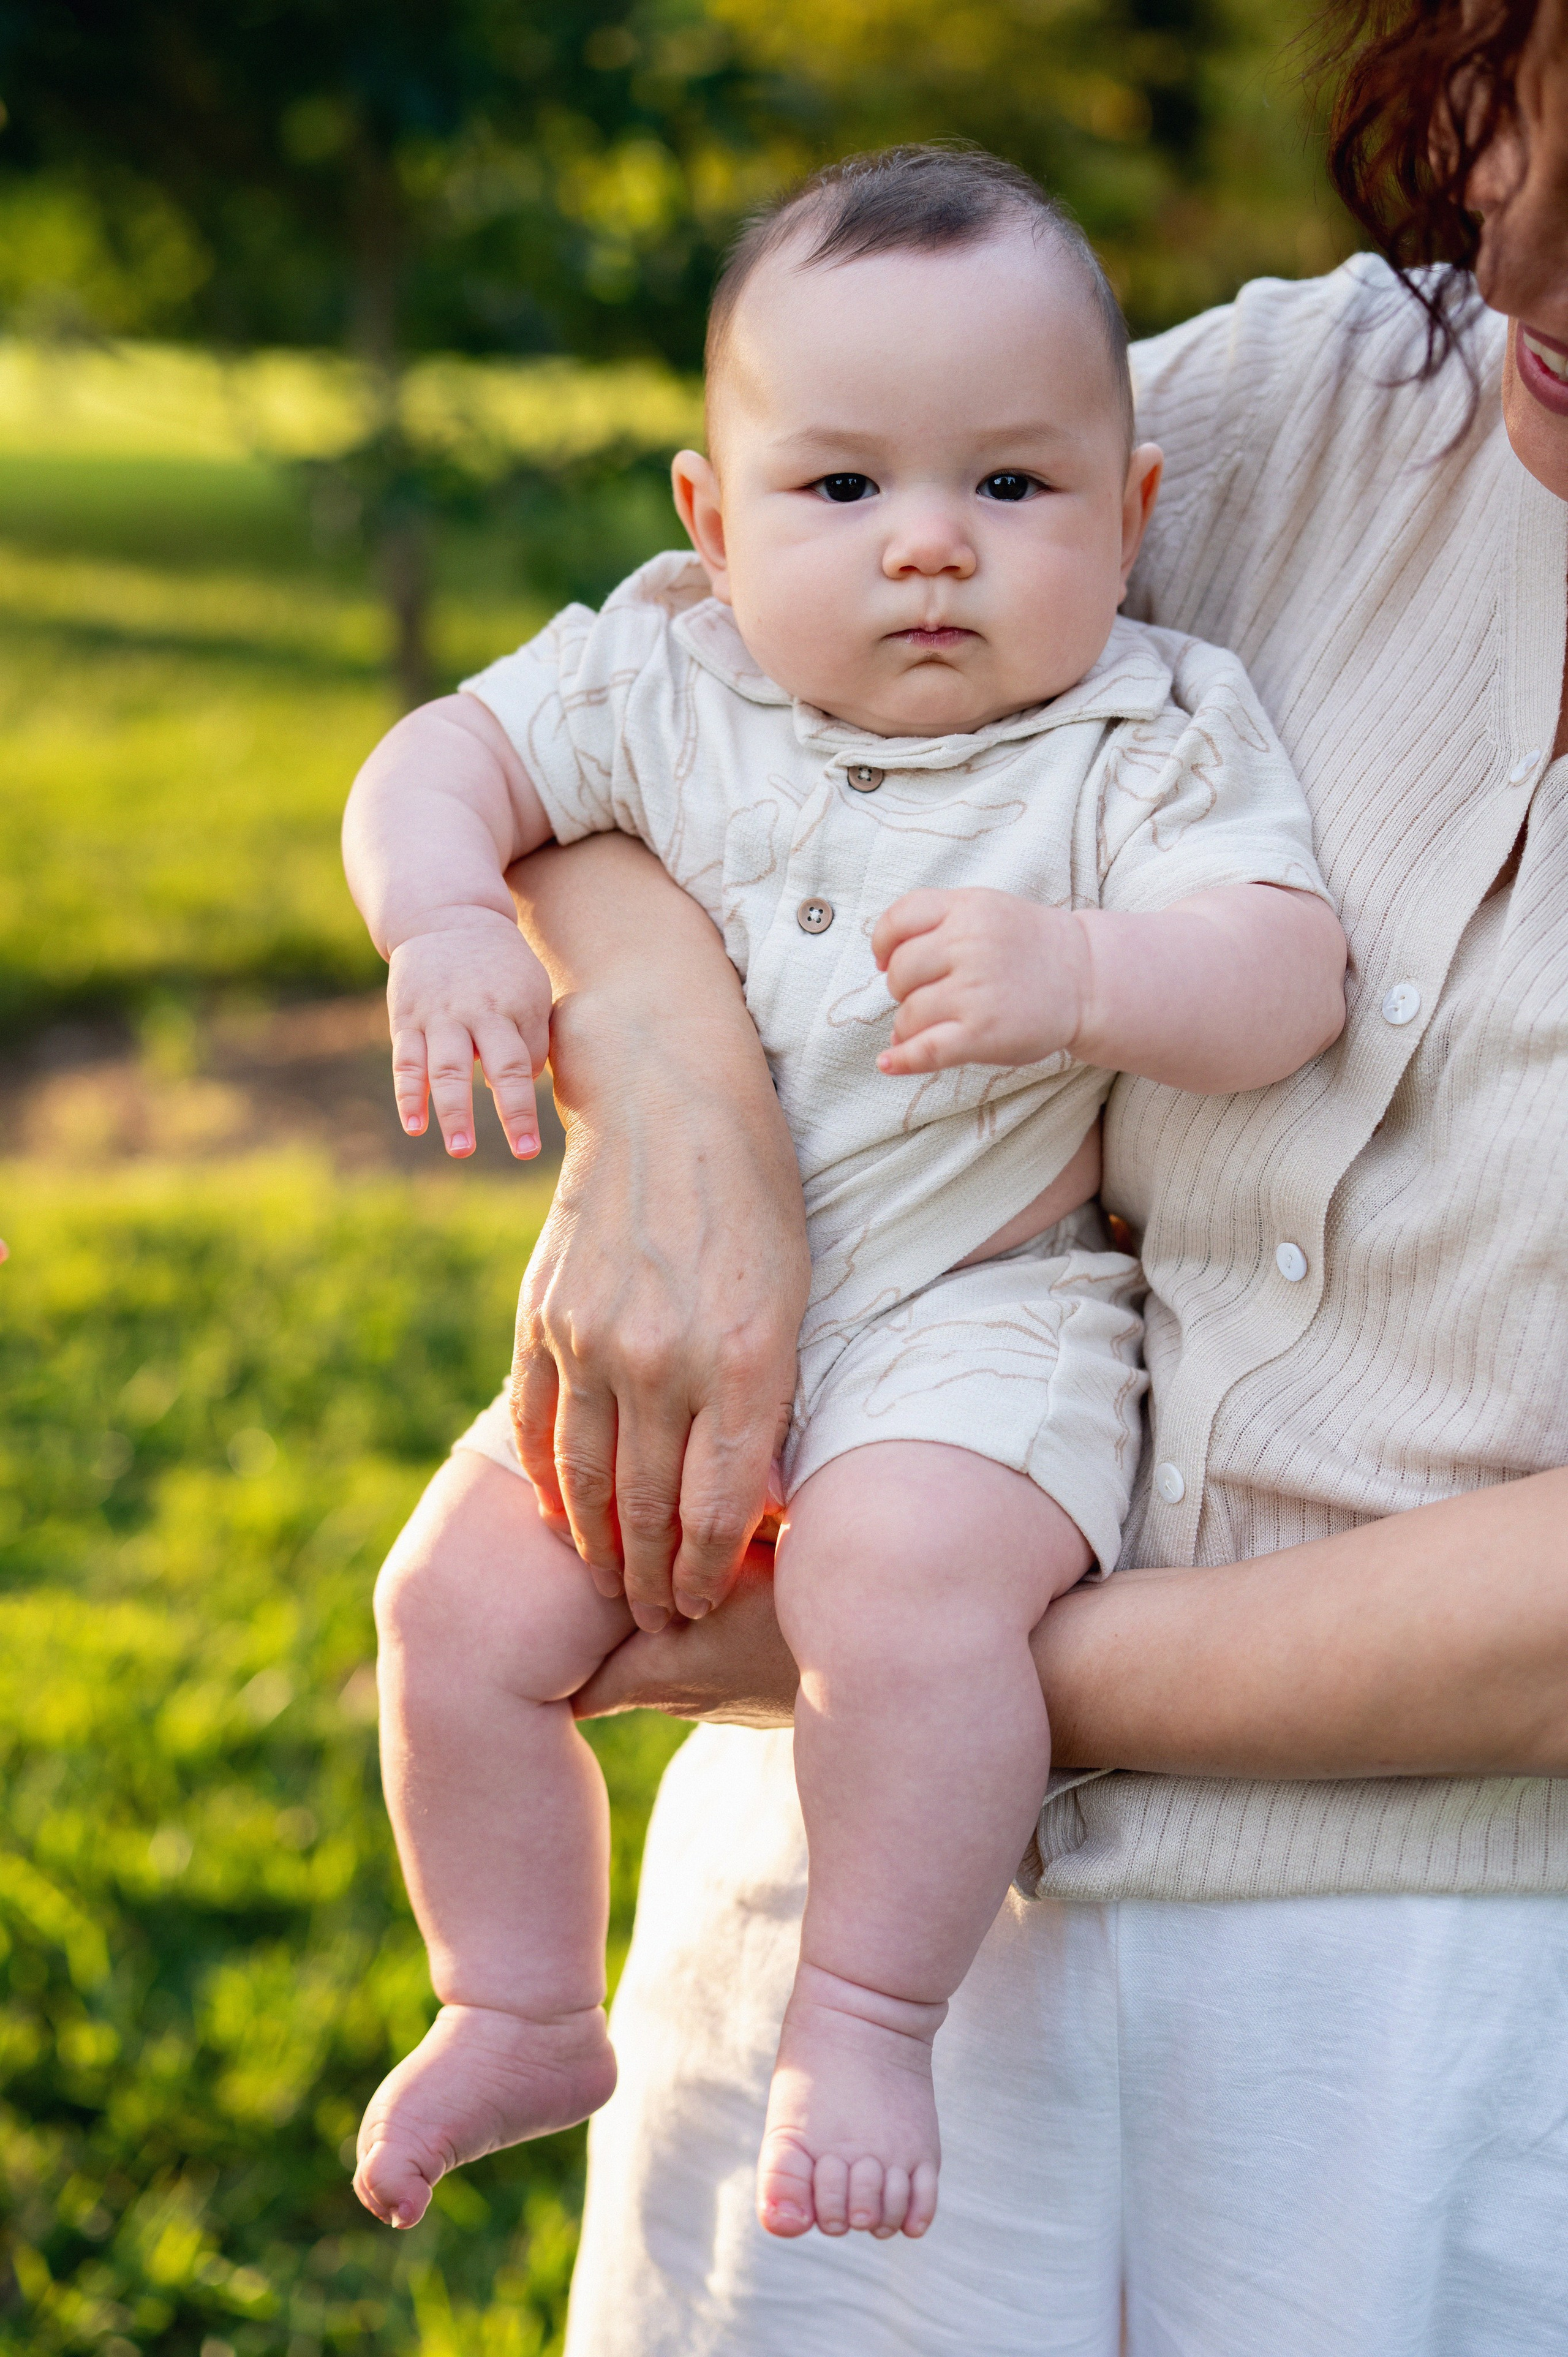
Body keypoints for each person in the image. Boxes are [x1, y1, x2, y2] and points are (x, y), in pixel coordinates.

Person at [371, 0, 1568, 2344]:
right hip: (829, 1844)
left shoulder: (1154, 712)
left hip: (1436, 1999)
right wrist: (674, 1097)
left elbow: (1256, 964)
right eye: (1525, 137)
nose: (1528, 289)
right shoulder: (1306, 402)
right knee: (452, 1606)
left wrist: (925, 1650)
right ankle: (513, 2001)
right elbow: (658, 697)